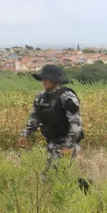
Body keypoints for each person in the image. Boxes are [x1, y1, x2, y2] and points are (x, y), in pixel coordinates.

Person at [18, 64, 89, 192]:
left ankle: (68, 198)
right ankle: (83, 188)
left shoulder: (68, 97)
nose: (43, 81)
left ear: (55, 80)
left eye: (46, 78)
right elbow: (34, 117)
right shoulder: (40, 97)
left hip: (68, 141)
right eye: (42, 78)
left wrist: (68, 146)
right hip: (52, 141)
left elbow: (76, 125)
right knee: (55, 174)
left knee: (52, 174)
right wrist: (25, 134)